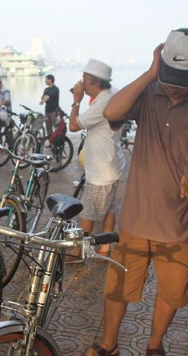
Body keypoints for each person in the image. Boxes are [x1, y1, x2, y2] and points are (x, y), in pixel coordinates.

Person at [70, 29, 188, 356]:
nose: (175, 85)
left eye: (184, 78)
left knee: (171, 292)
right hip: (135, 218)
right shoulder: (148, 91)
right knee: (116, 288)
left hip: (181, 225)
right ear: (160, 63)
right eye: (169, 76)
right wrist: (150, 74)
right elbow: (111, 111)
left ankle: (155, 346)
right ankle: (108, 343)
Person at [66, 59, 125, 258]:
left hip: (101, 171)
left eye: (85, 80)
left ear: (97, 82)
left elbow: (73, 126)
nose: (81, 84)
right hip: (112, 164)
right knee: (109, 208)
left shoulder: (102, 102)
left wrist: (76, 99)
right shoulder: (113, 93)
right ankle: (106, 246)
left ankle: (76, 252)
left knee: (88, 213)